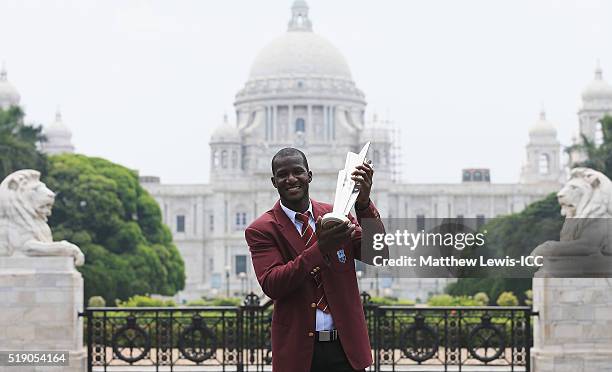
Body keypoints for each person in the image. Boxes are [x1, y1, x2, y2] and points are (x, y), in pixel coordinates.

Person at [245, 147, 387, 372]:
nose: (291, 179)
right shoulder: (262, 229)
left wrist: (363, 203)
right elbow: (273, 284)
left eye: (297, 172)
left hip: (345, 349)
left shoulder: (337, 215)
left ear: (309, 176)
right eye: (283, 175)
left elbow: (378, 254)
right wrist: (321, 249)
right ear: (274, 181)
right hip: (298, 353)